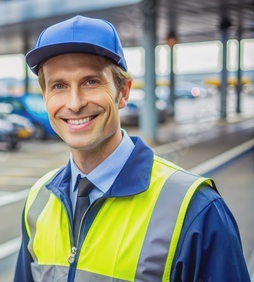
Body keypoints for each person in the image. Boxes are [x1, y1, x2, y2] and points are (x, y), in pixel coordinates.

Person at [14, 15, 249, 281]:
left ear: (123, 92)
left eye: (91, 81)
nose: (75, 102)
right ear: (45, 97)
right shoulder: (39, 200)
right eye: (59, 86)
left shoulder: (197, 208)